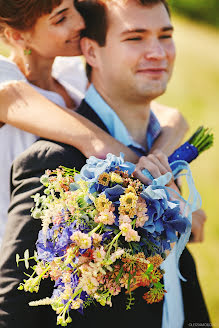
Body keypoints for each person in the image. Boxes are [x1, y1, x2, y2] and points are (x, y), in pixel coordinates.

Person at [0, 0, 210, 327]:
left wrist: (161, 166)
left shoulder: (73, 78)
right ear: (16, 35)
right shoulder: (47, 148)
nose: (157, 52)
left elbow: (170, 115)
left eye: (165, 35)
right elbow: (14, 308)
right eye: (134, 38)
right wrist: (129, 165)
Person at [0, 0, 188, 246]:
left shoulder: (69, 74)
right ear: (16, 36)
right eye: (61, 19)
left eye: (75, 7)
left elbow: (173, 117)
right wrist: (154, 182)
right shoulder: (7, 81)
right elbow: (95, 143)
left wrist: (158, 158)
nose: (80, 22)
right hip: (14, 238)